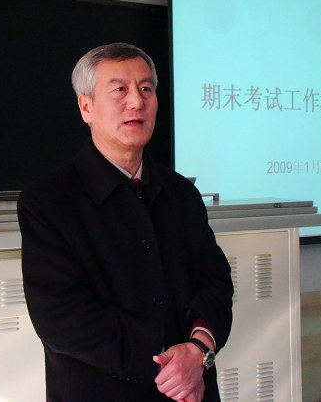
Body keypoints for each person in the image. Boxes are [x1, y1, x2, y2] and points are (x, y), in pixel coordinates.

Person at [18, 42, 233, 402]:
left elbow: (215, 282)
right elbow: (61, 316)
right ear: (86, 107)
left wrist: (198, 349)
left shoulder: (181, 193)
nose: (137, 102)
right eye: (119, 89)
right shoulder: (48, 201)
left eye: (146, 89)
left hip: (192, 390)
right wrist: (168, 367)